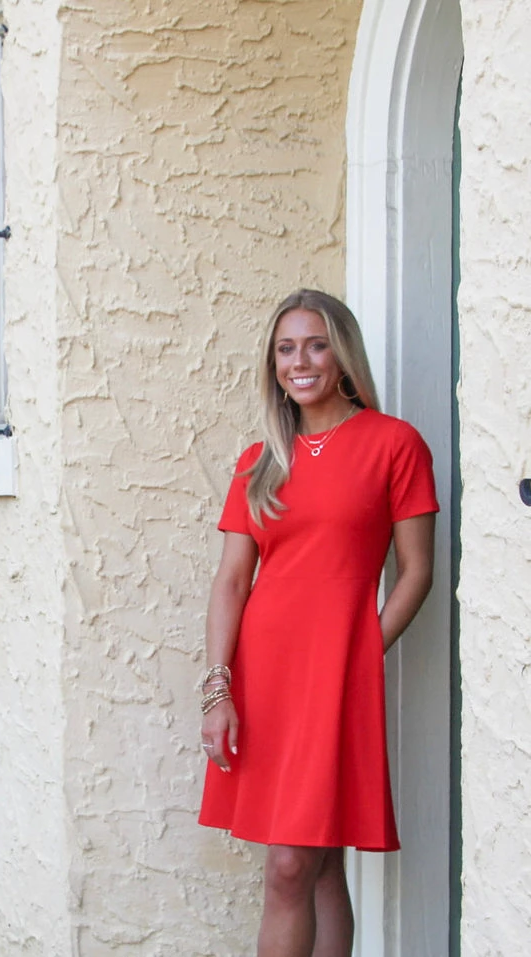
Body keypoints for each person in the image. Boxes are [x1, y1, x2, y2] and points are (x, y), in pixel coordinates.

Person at [197, 289, 438, 957]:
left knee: (291, 865)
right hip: (265, 675)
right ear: (272, 362)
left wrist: (362, 652)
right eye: (285, 348)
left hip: (336, 675)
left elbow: (417, 571)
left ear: (343, 355)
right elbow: (231, 580)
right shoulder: (259, 459)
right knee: (318, 861)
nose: (299, 361)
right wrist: (219, 687)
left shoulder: (395, 444)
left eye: (315, 343)